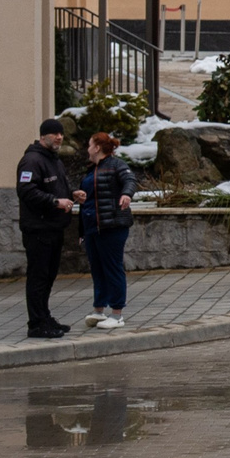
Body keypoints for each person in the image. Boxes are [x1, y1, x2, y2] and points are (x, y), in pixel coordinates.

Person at [15, 118, 79, 339]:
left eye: (60, 134)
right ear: (43, 136)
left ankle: (44, 316)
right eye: (54, 134)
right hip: (38, 230)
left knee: (49, 276)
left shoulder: (54, 160)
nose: (59, 137)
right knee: (38, 277)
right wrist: (54, 202)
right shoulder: (32, 161)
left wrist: (72, 195)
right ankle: (36, 324)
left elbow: (58, 187)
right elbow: (26, 191)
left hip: (54, 227)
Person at [77, 131, 136, 330]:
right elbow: (87, 203)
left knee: (112, 268)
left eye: (89, 144)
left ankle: (117, 313)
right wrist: (82, 232)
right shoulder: (91, 170)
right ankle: (99, 310)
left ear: (97, 148)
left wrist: (127, 194)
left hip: (112, 227)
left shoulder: (116, 165)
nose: (87, 149)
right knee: (97, 269)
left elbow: (130, 180)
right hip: (93, 228)